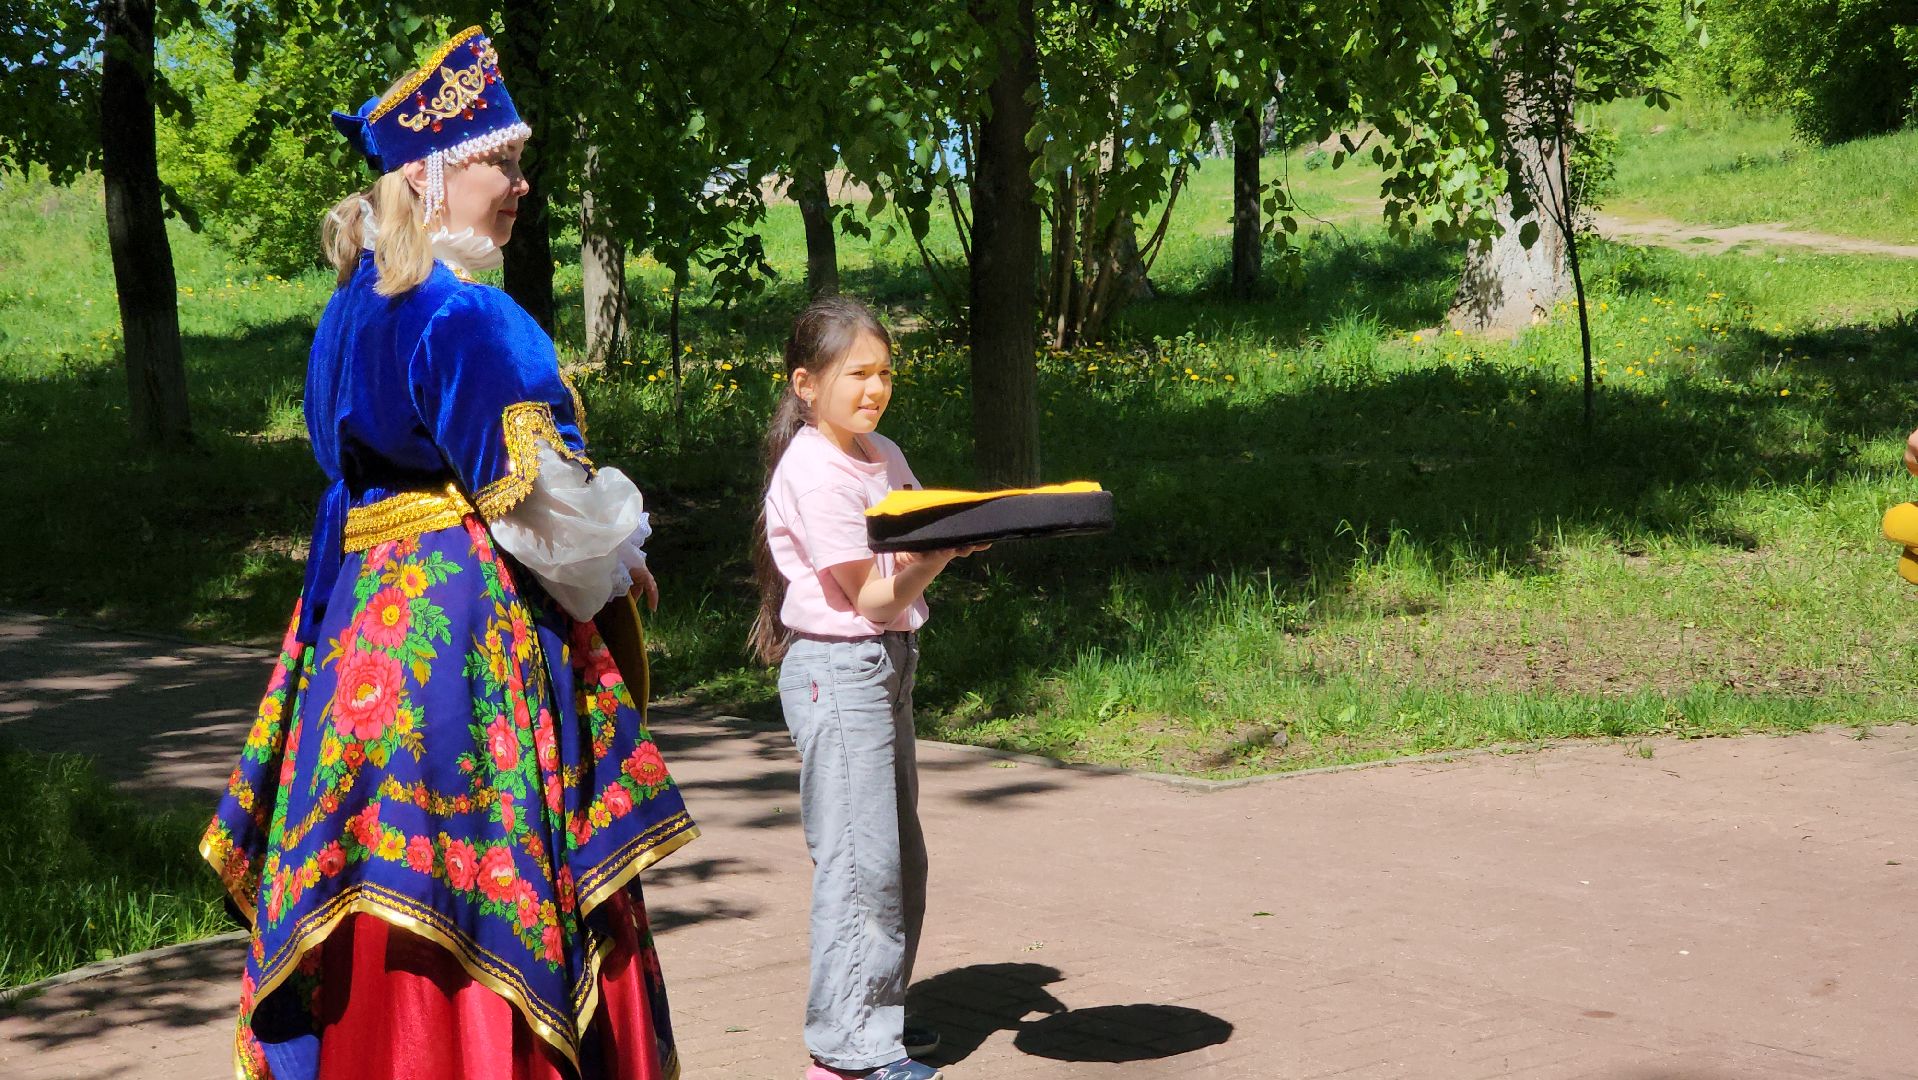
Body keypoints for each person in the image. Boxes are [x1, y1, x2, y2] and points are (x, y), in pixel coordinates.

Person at [200, 26, 696, 1080]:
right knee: (482, 879)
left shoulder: (347, 312)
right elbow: (536, 508)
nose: (521, 184)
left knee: (378, 879)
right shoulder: (473, 317)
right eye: (501, 163)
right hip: (467, 652)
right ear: (430, 177)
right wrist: (620, 564)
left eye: (518, 161)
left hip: (356, 657)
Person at [750, 296, 986, 1080]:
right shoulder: (814, 471)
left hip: (887, 666)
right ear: (806, 385)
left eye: (885, 372)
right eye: (858, 373)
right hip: (838, 671)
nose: (876, 388)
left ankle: (877, 1014)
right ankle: (847, 1051)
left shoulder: (878, 451)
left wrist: (958, 526)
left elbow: (914, 534)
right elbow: (874, 598)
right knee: (860, 863)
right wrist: (946, 551)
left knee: (898, 860)